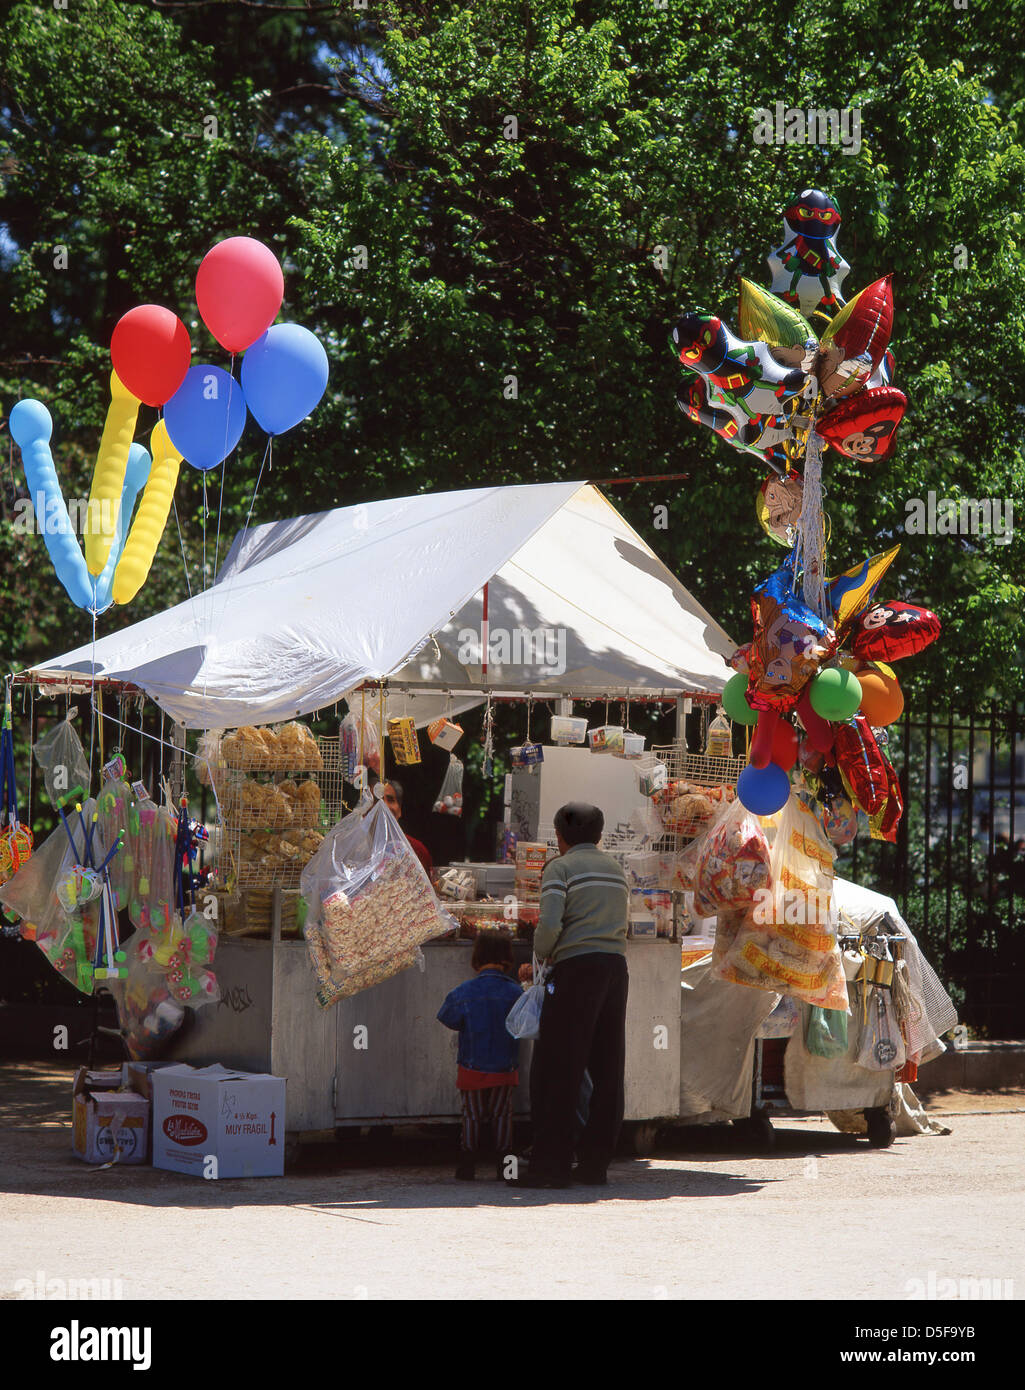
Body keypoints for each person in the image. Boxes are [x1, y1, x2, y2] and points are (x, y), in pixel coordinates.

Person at [518, 802, 629, 1189]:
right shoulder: (617, 869)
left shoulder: (559, 869)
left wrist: (541, 955)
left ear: (559, 837)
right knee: (607, 1068)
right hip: (615, 970)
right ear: (599, 836)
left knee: (556, 1068)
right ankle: (595, 1165)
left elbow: (549, 925)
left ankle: (551, 1166)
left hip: (575, 971)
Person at [437, 932, 523, 1181]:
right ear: (507, 957)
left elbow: (447, 1018)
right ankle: (506, 1168)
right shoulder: (514, 992)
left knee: (472, 1115)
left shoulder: (463, 992)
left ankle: (467, 1166)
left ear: (476, 957)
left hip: (471, 1067)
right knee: (502, 1115)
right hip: (505, 1067)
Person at [375, 777, 434, 878]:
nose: (384, 805)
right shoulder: (355, 850)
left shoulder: (417, 850)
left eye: (390, 800)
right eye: (377, 800)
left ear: (400, 809)